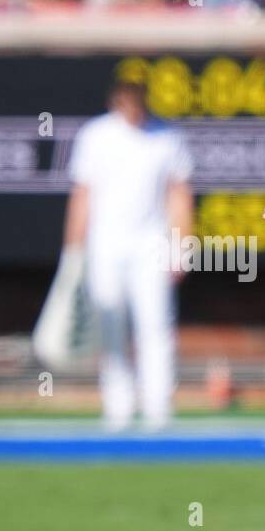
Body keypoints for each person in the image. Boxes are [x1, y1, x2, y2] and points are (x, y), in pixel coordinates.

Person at [63, 78, 193, 431]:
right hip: (105, 245)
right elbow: (83, 195)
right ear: (115, 100)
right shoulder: (95, 136)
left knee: (156, 325)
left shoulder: (167, 137)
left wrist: (182, 246)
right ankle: (117, 407)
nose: (132, 106)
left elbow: (178, 195)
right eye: (126, 99)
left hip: (151, 245)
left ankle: (158, 409)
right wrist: (73, 253)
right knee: (111, 326)